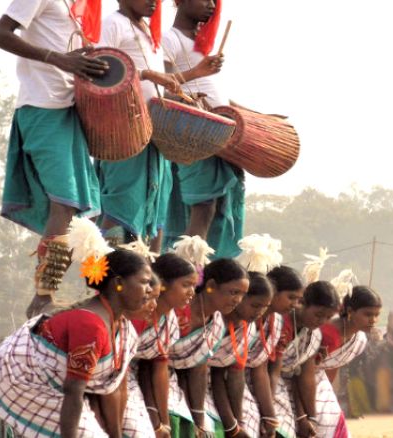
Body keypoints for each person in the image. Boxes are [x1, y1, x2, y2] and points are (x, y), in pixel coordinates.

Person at [0, 0, 109, 317]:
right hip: (42, 108)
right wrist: (58, 60)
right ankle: (42, 297)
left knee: (85, 214)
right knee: (65, 204)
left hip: (71, 111)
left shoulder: (83, 6)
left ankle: (98, 289)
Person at [0, 246, 151, 437]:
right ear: (119, 283)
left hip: (55, 389)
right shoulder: (91, 326)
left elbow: (107, 387)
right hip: (21, 382)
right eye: (144, 282)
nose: (149, 290)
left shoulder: (121, 326)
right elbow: (73, 391)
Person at [161, 0, 245, 259]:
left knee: (213, 205)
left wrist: (249, 114)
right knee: (203, 204)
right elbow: (161, 88)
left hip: (216, 134)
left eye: (214, 1)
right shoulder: (169, 39)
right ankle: (186, 272)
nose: (210, 6)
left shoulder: (203, 44)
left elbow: (210, 91)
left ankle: (197, 272)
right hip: (191, 133)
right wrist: (197, 71)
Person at [95, 0, 181, 251]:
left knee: (155, 209)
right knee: (121, 204)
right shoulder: (113, 24)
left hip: (154, 131)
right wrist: (145, 75)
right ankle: (106, 276)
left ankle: (149, 282)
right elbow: (99, 70)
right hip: (124, 130)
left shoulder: (149, 32)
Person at [168, 258, 249, 437]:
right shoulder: (179, 311)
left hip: (176, 383)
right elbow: (155, 363)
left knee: (207, 430)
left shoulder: (216, 323)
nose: (238, 300)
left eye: (242, 295)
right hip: (152, 377)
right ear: (211, 285)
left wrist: (199, 418)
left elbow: (199, 369)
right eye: (234, 292)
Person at [123, 252, 199, 437]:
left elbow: (159, 369)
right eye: (186, 285)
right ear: (163, 284)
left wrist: (163, 421)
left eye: (193, 286)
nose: (191, 292)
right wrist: (155, 421)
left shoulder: (170, 319)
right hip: (118, 376)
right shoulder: (136, 316)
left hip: (135, 379)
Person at [207, 272, 274, 438]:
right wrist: (231, 426)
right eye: (255, 305)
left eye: (265, 307)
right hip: (195, 386)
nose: (260, 312)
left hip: (223, 393)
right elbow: (217, 375)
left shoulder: (248, 328)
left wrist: (238, 421)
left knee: (252, 422)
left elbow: (236, 374)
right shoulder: (214, 321)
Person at [242, 265, 304, 438]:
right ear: (273, 291)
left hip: (262, 385)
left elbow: (262, 369)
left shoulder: (276, 321)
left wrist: (268, 413)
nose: (295, 304)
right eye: (291, 297)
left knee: (282, 425)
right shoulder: (242, 318)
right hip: (234, 380)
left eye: (298, 299)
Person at [273, 281, 339, 438]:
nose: (322, 321)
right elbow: (270, 372)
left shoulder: (314, 335)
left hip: (287, 388)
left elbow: (304, 376)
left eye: (328, 317)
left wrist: (309, 417)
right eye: (318, 315)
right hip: (265, 383)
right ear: (302, 303)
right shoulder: (280, 324)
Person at [314, 285, 381, 437]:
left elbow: (333, 366)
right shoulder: (327, 333)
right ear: (350, 312)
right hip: (297, 380)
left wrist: (325, 395)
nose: (373, 320)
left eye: (377, 315)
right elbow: (306, 369)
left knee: (333, 421)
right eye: (368, 314)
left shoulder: (359, 339)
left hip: (319, 383)